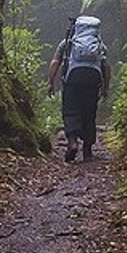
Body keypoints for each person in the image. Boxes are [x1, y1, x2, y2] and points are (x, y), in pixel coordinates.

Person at [47, 15, 109, 162]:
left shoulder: (67, 43)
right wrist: (106, 87)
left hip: (71, 81)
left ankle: (73, 142)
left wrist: (50, 82)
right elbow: (106, 66)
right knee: (89, 112)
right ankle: (87, 150)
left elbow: (55, 62)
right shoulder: (100, 45)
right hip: (93, 82)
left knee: (71, 111)